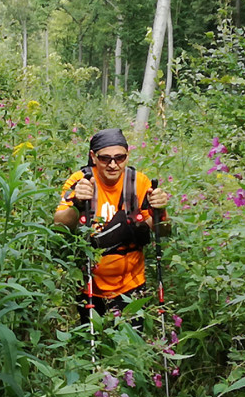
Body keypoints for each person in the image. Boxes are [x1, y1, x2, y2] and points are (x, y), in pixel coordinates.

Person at [53, 128, 169, 321]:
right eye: (105, 158)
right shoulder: (81, 181)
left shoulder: (138, 182)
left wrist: (160, 211)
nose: (113, 165)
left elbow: (160, 230)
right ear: (93, 156)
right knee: (93, 345)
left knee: (130, 346)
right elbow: (59, 225)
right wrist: (78, 203)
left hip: (131, 284)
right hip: (89, 285)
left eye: (120, 158)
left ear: (127, 155)